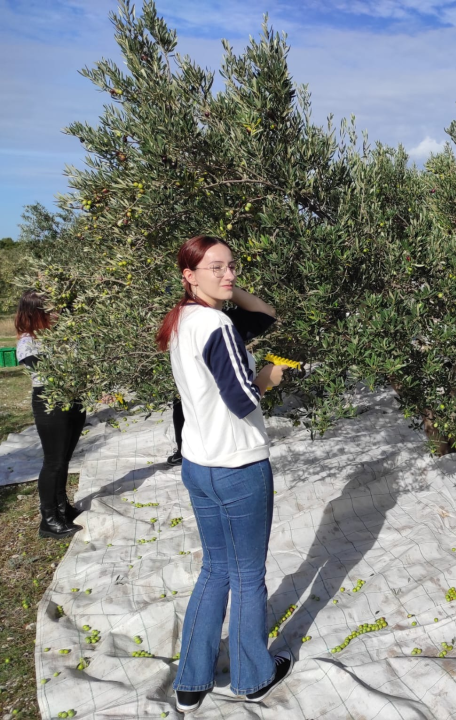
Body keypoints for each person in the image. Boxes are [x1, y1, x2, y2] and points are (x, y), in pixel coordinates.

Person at [156, 235, 292, 713]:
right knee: (247, 575)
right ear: (189, 275)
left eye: (232, 266)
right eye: (216, 267)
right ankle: (253, 676)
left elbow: (266, 316)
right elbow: (243, 401)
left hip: (199, 464)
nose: (229, 274)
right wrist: (268, 378)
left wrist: (229, 289)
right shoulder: (215, 325)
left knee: (214, 571)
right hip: (238, 467)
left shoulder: (185, 320)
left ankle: (191, 682)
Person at [15, 291, 85, 539]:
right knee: (53, 461)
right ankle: (49, 520)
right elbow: (52, 373)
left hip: (74, 400)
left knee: (64, 459)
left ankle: (62, 507)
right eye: (50, 309)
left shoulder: (60, 336)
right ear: (35, 313)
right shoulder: (27, 343)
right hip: (50, 403)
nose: (56, 313)